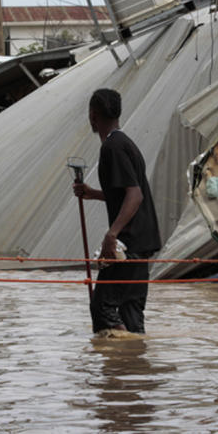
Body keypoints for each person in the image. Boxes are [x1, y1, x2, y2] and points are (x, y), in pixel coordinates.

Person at [72, 88, 161, 336]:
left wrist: (112, 235)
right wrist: (94, 193)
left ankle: (121, 360)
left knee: (102, 308)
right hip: (142, 243)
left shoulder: (112, 147)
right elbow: (125, 193)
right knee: (131, 313)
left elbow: (135, 195)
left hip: (128, 244)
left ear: (93, 116)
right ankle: (133, 365)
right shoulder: (125, 143)